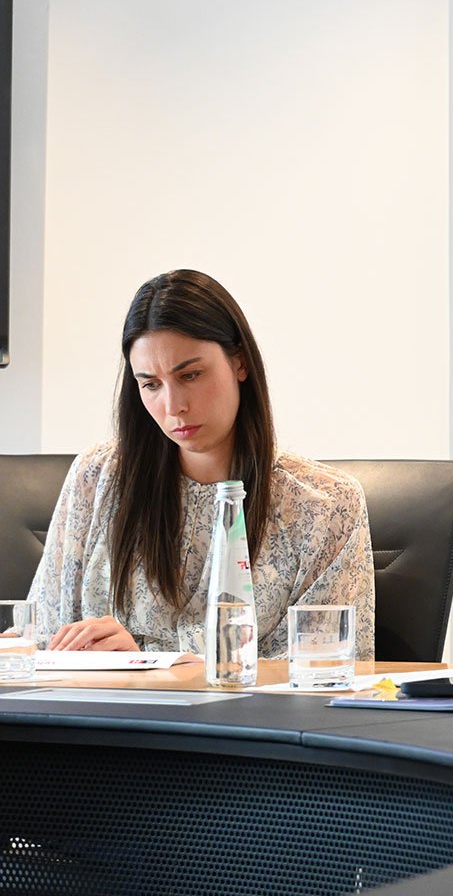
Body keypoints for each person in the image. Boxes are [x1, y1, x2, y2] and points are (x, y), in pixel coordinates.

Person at [29, 269, 376, 659]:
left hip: (239, 704)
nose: (173, 406)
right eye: (151, 384)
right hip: (93, 700)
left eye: (190, 375)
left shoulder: (324, 504)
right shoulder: (97, 477)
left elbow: (330, 669)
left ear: (240, 363)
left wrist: (151, 663)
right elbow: (38, 637)